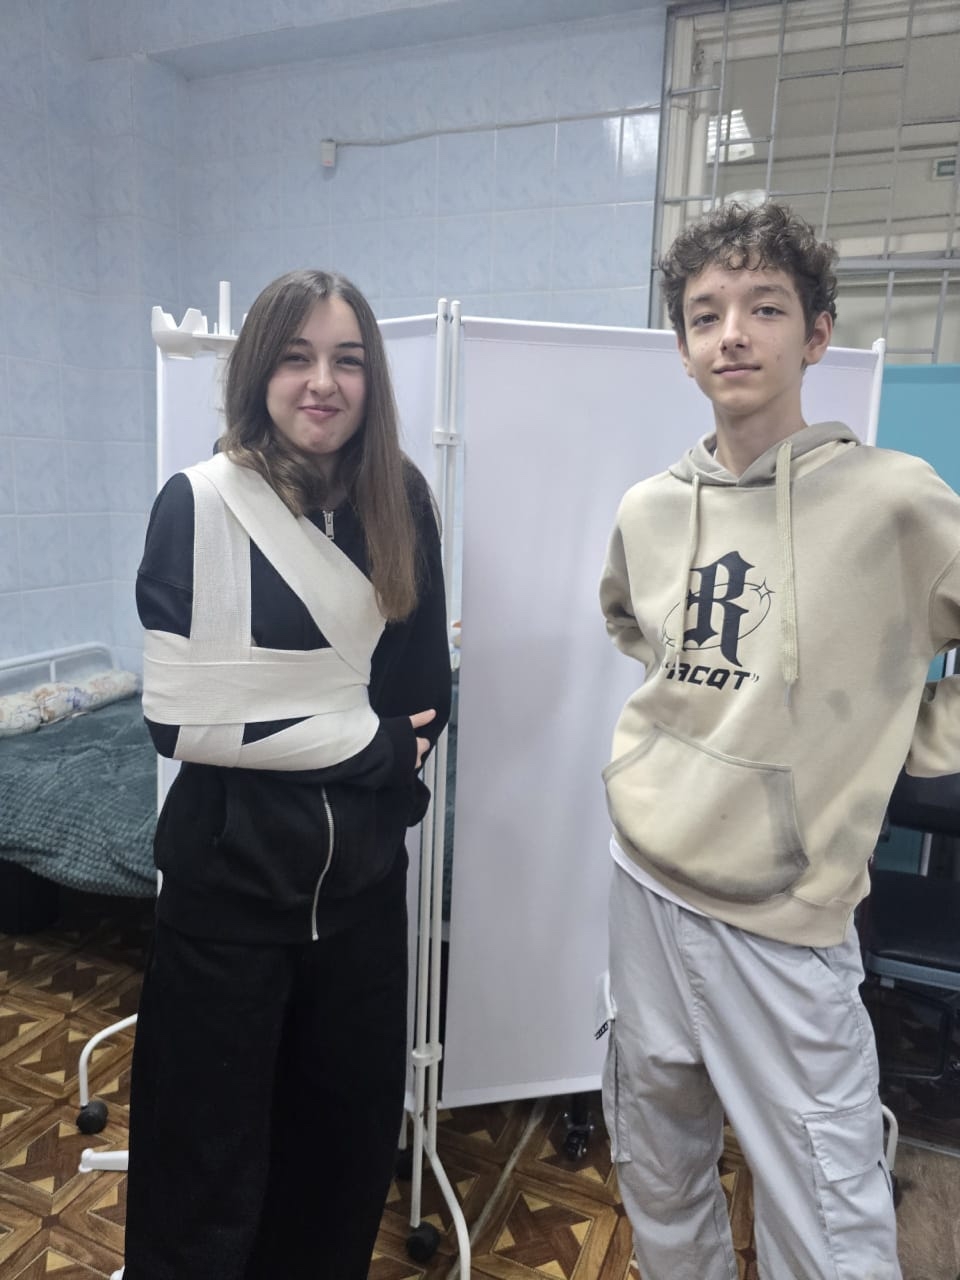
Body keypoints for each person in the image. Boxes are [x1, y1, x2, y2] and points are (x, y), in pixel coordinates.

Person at [599, 201, 960, 1280]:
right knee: (657, 1166)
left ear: (816, 334)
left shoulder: (894, 501)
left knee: (831, 1217)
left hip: (784, 921)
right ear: (682, 348)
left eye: (764, 307)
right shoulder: (651, 508)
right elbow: (636, 630)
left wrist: (909, 738)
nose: (733, 335)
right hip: (643, 881)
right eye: (706, 314)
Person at [124, 269, 452, 1280]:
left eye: (348, 360)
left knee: (340, 1168)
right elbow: (182, 719)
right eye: (298, 357)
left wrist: (370, 759)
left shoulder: (401, 499)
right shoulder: (199, 504)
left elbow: (422, 695)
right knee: (200, 1180)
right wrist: (369, 749)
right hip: (226, 902)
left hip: (359, 906)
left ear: (372, 378)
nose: (323, 382)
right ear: (259, 371)